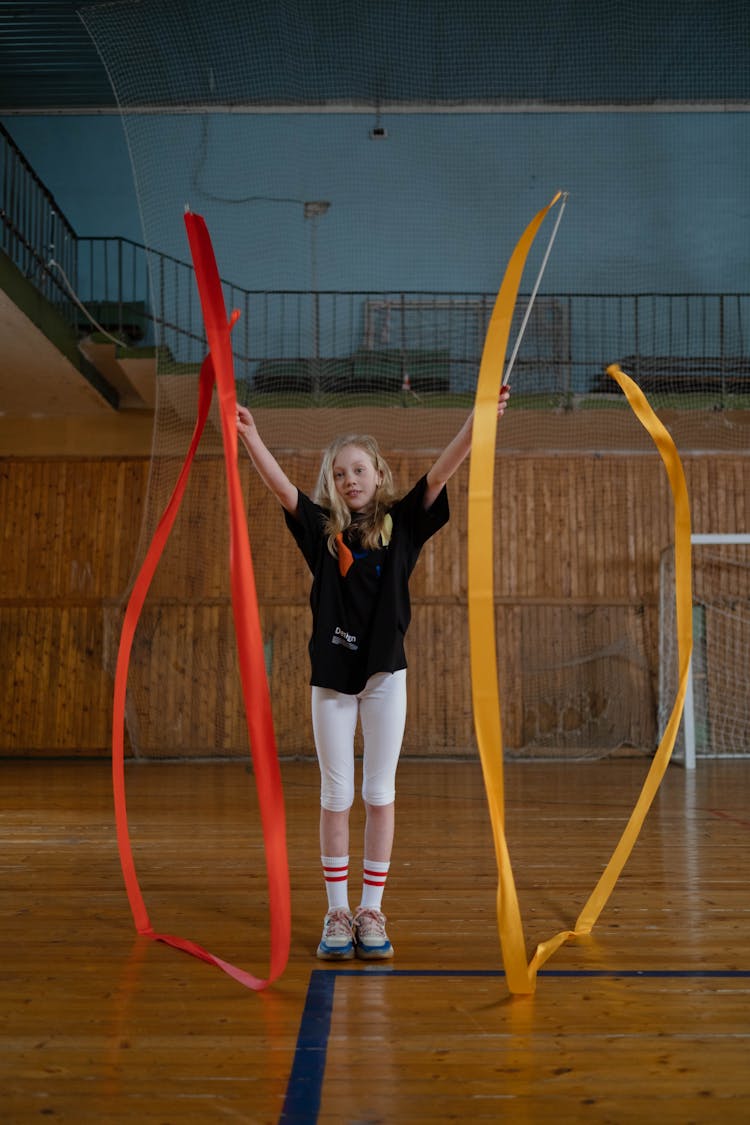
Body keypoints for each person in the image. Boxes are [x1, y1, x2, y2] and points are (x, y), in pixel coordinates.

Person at [236, 386, 510, 961]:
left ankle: (370, 909)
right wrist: (250, 435)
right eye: (339, 474)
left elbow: (441, 471)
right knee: (336, 795)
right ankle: (337, 911)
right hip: (332, 681)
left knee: (378, 793)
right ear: (331, 485)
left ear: (379, 473)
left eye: (358, 469)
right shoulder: (320, 532)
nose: (350, 480)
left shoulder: (404, 523)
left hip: (386, 679)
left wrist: (478, 420)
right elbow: (281, 488)